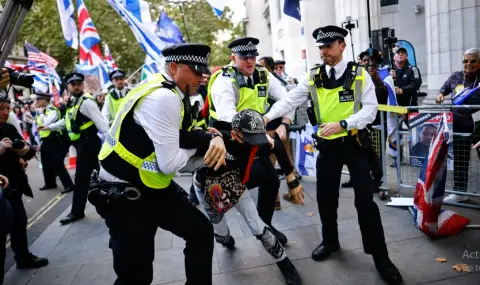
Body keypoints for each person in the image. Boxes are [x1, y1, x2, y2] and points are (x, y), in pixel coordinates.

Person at [262, 25, 403, 285]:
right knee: (326, 199)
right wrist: (267, 117)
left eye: (328, 46)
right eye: (321, 47)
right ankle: (330, 241)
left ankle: (381, 257)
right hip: (327, 148)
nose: (323, 51)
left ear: (342, 46)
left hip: (355, 144)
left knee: (365, 202)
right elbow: (290, 100)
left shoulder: (360, 74)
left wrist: (344, 124)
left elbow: (370, 111)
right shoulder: (313, 76)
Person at [91, 43, 226, 285]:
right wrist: (202, 143)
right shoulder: (164, 97)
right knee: (136, 277)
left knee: (201, 232)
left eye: (203, 72)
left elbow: (177, 136)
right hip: (126, 195)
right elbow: (170, 163)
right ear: (174, 68)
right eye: (196, 71)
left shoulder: (170, 88)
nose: (202, 77)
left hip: (149, 186)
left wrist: (209, 137)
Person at [207, 37, 303, 245]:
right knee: (224, 193)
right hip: (228, 140)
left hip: (254, 136)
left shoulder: (263, 74)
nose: (250, 61)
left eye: (253, 56)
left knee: (270, 181)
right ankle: (222, 233)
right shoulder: (224, 80)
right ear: (233, 58)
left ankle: (265, 225)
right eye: (244, 57)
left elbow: (286, 99)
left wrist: (280, 120)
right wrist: (260, 126)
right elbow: (228, 115)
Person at [193, 109, 303, 285]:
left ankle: (285, 264)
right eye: (250, 139)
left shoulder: (258, 141)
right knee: (220, 234)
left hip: (236, 185)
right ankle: (225, 239)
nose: (255, 144)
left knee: (259, 227)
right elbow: (182, 153)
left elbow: (277, 145)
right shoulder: (215, 139)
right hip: (209, 191)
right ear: (236, 133)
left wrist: (291, 178)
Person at [38, 73, 109, 225]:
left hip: (89, 144)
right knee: (101, 176)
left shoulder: (87, 102)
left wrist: (113, 145)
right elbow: (67, 120)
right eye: (73, 84)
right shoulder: (74, 102)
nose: (76, 86)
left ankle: (77, 212)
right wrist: (49, 127)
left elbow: (102, 124)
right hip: (83, 145)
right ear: (68, 86)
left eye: (79, 83)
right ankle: (112, 205)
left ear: (83, 85)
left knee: (82, 179)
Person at [0, 92, 49, 275]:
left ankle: (23, 257)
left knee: (19, 222)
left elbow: (25, 150)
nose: (5, 112)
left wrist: (22, 152)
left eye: (7, 108)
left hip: (13, 185)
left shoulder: (8, 128)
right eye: (1, 108)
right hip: (2, 189)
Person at [436, 47, 480, 203]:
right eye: (466, 61)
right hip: (457, 123)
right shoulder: (456, 76)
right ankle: (460, 192)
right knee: (460, 159)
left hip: (478, 124)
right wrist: (441, 94)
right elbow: (444, 89)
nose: (468, 64)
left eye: (472, 61)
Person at [34, 90, 75, 193]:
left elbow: (47, 123)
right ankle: (50, 183)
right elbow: (38, 126)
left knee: (57, 163)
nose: (37, 101)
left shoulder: (52, 110)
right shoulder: (42, 111)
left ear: (45, 100)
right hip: (45, 140)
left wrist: (40, 113)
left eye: (39, 99)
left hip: (54, 140)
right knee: (45, 162)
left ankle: (69, 185)